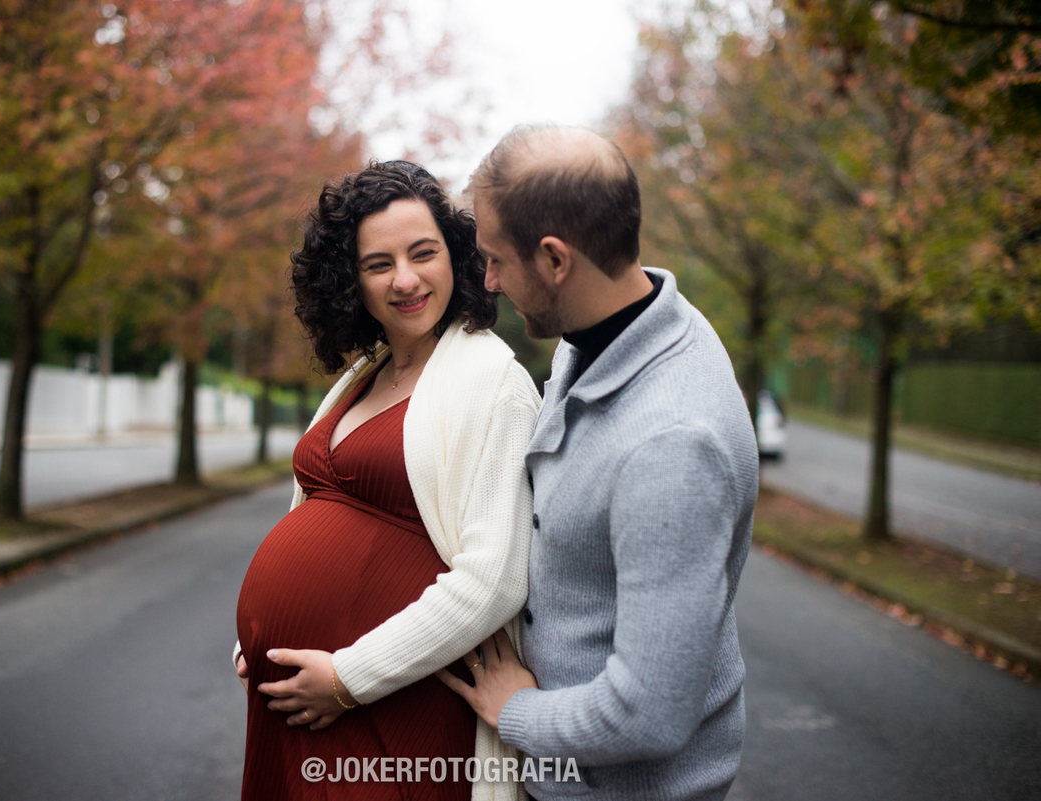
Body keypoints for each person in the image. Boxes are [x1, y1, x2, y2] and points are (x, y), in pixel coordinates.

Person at [437, 125, 759, 800]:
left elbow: (650, 710)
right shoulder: (605, 330)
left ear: (556, 259)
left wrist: (515, 711)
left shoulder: (672, 444)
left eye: (496, 259)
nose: (488, 281)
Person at [234, 160, 539, 801]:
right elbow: (311, 511)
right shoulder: (365, 375)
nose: (405, 280)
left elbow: (495, 580)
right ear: (352, 282)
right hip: (300, 702)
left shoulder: (494, 382)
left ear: (456, 257)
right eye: (379, 264)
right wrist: (255, 641)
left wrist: (348, 676)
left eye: (423, 254)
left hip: (392, 710)